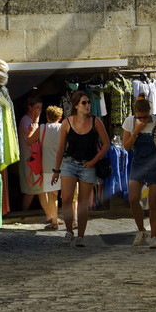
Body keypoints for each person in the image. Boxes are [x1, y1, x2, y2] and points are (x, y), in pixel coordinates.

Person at [50, 89, 109, 246]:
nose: (88, 105)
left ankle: (81, 236)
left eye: (89, 102)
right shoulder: (66, 123)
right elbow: (61, 147)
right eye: (84, 102)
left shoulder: (96, 121)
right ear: (76, 105)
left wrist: (94, 161)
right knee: (67, 198)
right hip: (69, 163)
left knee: (83, 203)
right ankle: (69, 231)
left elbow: (106, 144)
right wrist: (56, 170)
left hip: (87, 165)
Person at [122, 94, 156, 248]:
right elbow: (126, 147)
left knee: (154, 202)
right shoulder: (130, 122)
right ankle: (141, 230)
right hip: (139, 163)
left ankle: (154, 236)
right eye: (140, 117)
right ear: (135, 113)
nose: (142, 120)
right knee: (133, 198)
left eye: (145, 117)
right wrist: (136, 131)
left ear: (150, 111)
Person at [17, 97, 59, 229]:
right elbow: (32, 137)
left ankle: (50, 216)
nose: (39, 111)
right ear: (30, 107)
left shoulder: (32, 121)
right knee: (32, 189)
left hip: (35, 161)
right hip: (30, 160)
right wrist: (36, 121)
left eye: (41, 108)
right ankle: (23, 214)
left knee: (38, 189)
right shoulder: (26, 120)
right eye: (37, 108)